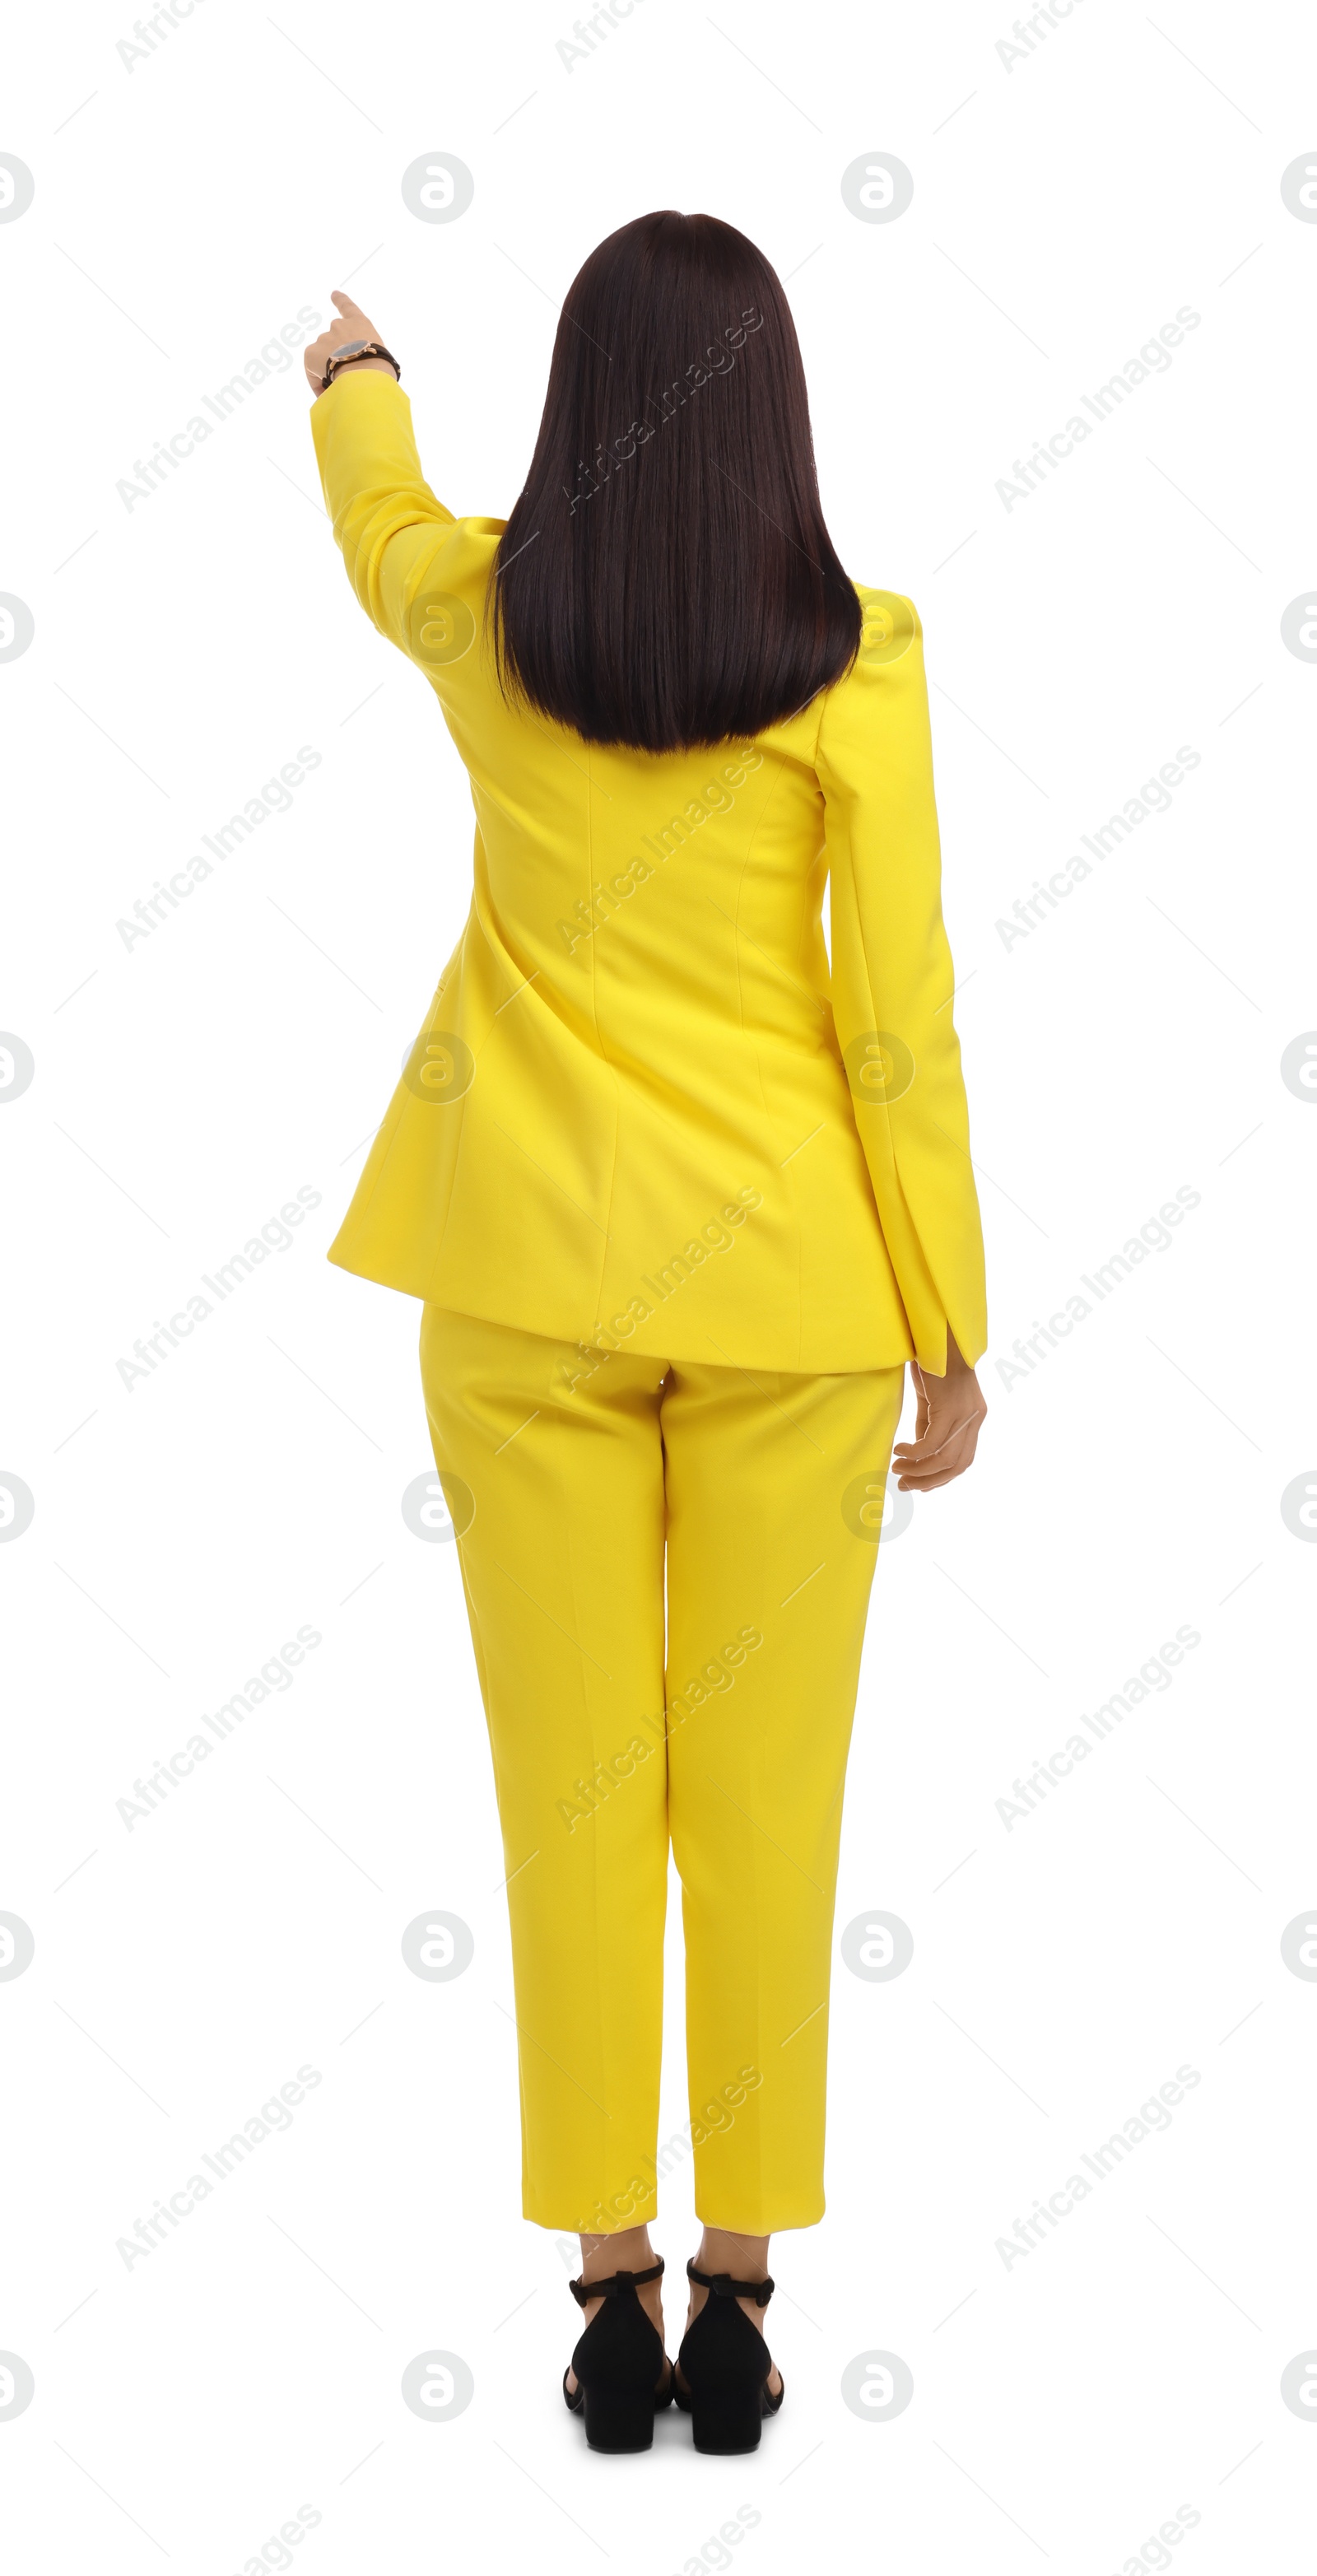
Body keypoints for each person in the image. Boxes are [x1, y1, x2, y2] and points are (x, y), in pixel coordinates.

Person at [304, 209, 987, 2457]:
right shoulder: (859, 661)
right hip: (796, 1301)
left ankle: (601, 2292)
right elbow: (898, 1027)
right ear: (776, 410)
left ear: (580, 408)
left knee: (573, 1797)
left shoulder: (490, 623)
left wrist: (355, 368)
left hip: (523, 1282)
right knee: (765, 1806)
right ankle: (742, 2290)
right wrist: (951, 1325)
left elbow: (384, 524)